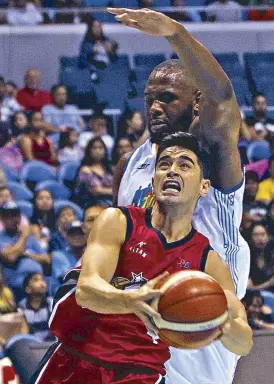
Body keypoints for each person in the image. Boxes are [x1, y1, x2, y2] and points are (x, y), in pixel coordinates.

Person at [30, 133, 252, 384]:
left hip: (139, 375)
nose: (171, 171)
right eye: (164, 164)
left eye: (184, 165)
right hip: (76, 359)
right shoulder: (118, 221)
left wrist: (218, 322)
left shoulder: (208, 261)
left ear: (204, 186)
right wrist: (131, 300)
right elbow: (86, 290)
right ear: (154, 178)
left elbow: (243, 342)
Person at [108, 7, 250, 384]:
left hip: (202, 288)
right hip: (143, 305)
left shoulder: (213, 154)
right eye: (149, 98)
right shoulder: (129, 164)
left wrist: (174, 33)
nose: (154, 107)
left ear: (196, 103)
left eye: (168, 98)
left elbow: (222, 97)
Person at [0, 202, 49, 299]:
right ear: (2, 219)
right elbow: (11, 257)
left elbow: (46, 259)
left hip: (40, 282)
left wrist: (26, 255)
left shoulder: (31, 238)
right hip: (18, 287)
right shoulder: (2, 238)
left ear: (19, 217)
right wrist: (24, 236)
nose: (13, 219)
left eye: (15, 215)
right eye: (8, 216)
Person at [74, 137, 113, 208]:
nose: (98, 151)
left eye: (100, 148)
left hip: (111, 201)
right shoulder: (85, 170)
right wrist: (113, 191)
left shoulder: (109, 169)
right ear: (89, 151)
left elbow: (118, 188)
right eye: (94, 148)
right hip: (92, 203)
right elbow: (96, 191)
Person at [51, 220, 87, 294]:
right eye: (73, 234)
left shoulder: (91, 254)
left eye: (80, 234)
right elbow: (67, 278)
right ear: (66, 236)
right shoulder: (59, 255)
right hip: (63, 298)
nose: (77, 237)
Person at [18, 273, 54, 342]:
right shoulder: (21, 308)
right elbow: (24, 334)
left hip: (51, 344)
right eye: (36, 280)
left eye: (43, 280)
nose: (41, 283)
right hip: (32, 346)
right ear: (28, 289)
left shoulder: (52, 303)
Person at [248, 223, 274, 292]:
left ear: (268, 236)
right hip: (253, 298)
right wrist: (268, 283)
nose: (259, 238)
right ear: (251, 237)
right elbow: (248, 286)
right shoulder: (247, 256)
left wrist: (255, 288)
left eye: (262, 234)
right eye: (256, 235)